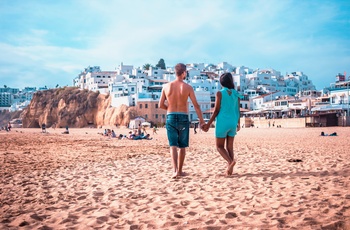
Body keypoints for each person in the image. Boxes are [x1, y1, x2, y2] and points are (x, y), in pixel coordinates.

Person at [159, 63, 205, 178]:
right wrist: (202, 121)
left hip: (170, 116)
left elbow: (160, 105)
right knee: (182, 146)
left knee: (173, 145)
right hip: (183, 117)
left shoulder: (166, 87)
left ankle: (174, 171)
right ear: (184, 73)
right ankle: (179, 171)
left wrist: (169, 109)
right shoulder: (188, 87)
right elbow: (196, 106)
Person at [202, 72, 243, 176]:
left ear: (221, 82)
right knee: (230, 147)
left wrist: (208, 124)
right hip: (233, 122)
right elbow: (238, 110)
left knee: (219, 146)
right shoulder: (236, 94)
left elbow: (216, 110)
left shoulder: (219, 93)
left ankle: (230, 162)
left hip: (222, 122)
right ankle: (230, 171)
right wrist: (238, 123)